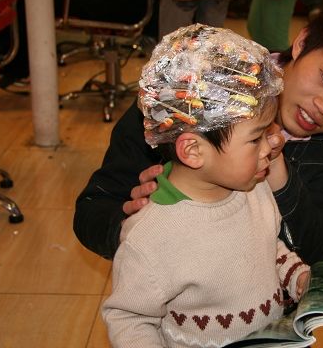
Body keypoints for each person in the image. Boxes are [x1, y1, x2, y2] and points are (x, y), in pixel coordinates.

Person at [73, 0, 323, 265]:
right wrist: (131, 226)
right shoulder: (195, 86)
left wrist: (281, 178)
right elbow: (92, 211)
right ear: (303, 42)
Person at [101, 24, 310, 347]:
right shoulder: (151, 237)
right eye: (256, 138)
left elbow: (269, 247)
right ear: (193, 150)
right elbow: (129, 319)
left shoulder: (254, 189)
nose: (271, 144)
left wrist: (298, 276)